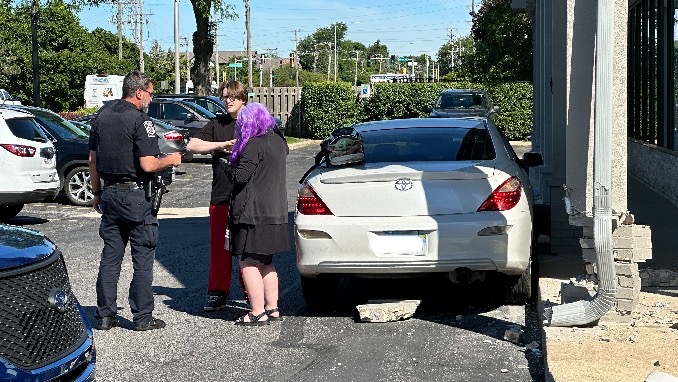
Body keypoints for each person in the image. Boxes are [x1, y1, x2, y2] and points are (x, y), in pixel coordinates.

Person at [88, 70, 182, 331]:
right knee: (143, 257)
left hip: (109, 194)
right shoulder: (141, 121)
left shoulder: (102, 116)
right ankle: (142, 317)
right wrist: (173, 159)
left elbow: (92, 160)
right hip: (135, 195)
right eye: (150, 93)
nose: (151, 98)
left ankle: (105, 315)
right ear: (139, 92)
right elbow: (149, 163)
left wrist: (96, 193)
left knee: (110, 257)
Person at [186, 80, 247, 311]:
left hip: (245, 196)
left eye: (232, 96)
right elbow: (192, 145)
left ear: (243, 98)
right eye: (225, 97)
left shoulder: (251, 123)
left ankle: (250, 291)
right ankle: (217, 292)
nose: (228, 101)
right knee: (220, 248)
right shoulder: (216, 123)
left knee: (245, 248)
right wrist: (219, 146)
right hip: (220, 195)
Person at [227, 102, 289, 326]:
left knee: (248, 262)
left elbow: (240, 178)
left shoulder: (254, 144)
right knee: (266, 262)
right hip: (276, 212)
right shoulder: (279, 143)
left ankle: (257, 311)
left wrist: (229, 165)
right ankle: (272, 308)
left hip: (253, 213)